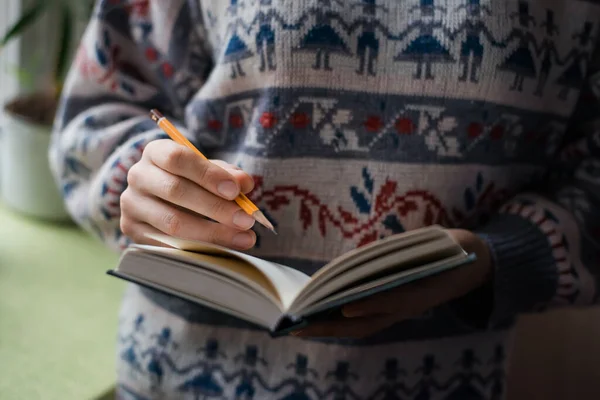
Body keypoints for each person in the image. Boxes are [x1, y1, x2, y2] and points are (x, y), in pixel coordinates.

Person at [50, 0, 600, 399]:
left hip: (437, 378)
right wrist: (140, 182)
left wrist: (495, 258)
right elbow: (97, 114)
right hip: (180, 373)